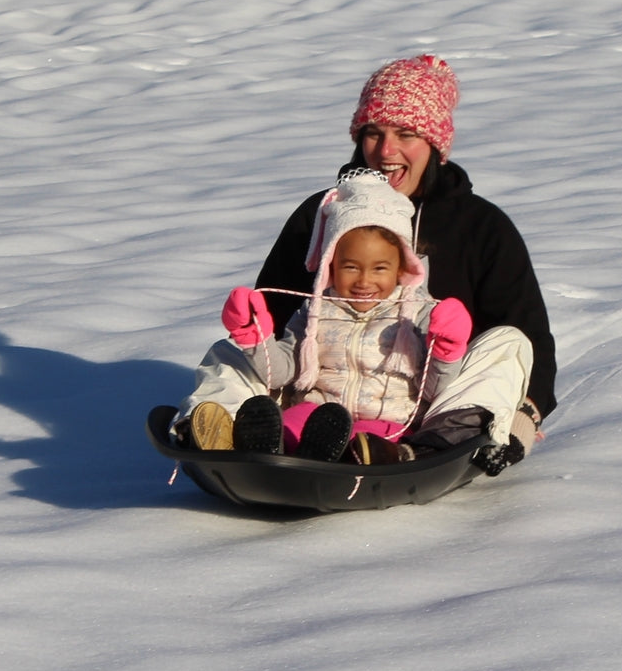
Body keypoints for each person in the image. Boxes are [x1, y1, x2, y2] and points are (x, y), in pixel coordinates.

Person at [173, 54, 556, 475]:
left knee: (510, 342)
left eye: (406, 133)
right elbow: (279, 323)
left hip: (426, 405)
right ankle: (220, 433)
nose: (386, 150)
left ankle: (430, 452)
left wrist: (522, 412)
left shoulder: (481, 227)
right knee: (228, 351)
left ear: (434, 144)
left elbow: (528, 332)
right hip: (318, 396)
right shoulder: (322, 215)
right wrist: (252, 330)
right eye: (373, 133)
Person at [187, 170, 475, 464]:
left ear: (402, 267)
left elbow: (435, 390)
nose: (364, 281)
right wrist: (255, 337)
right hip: (317, 411)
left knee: (365, 441)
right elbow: (284, 373)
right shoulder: (315, 312)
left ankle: (344, 457)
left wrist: (446, 349)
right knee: (294, 419)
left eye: (379, 268)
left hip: (387, 420)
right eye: (351, 267)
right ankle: (265, 446)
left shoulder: (417, 315)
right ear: (331, 266)